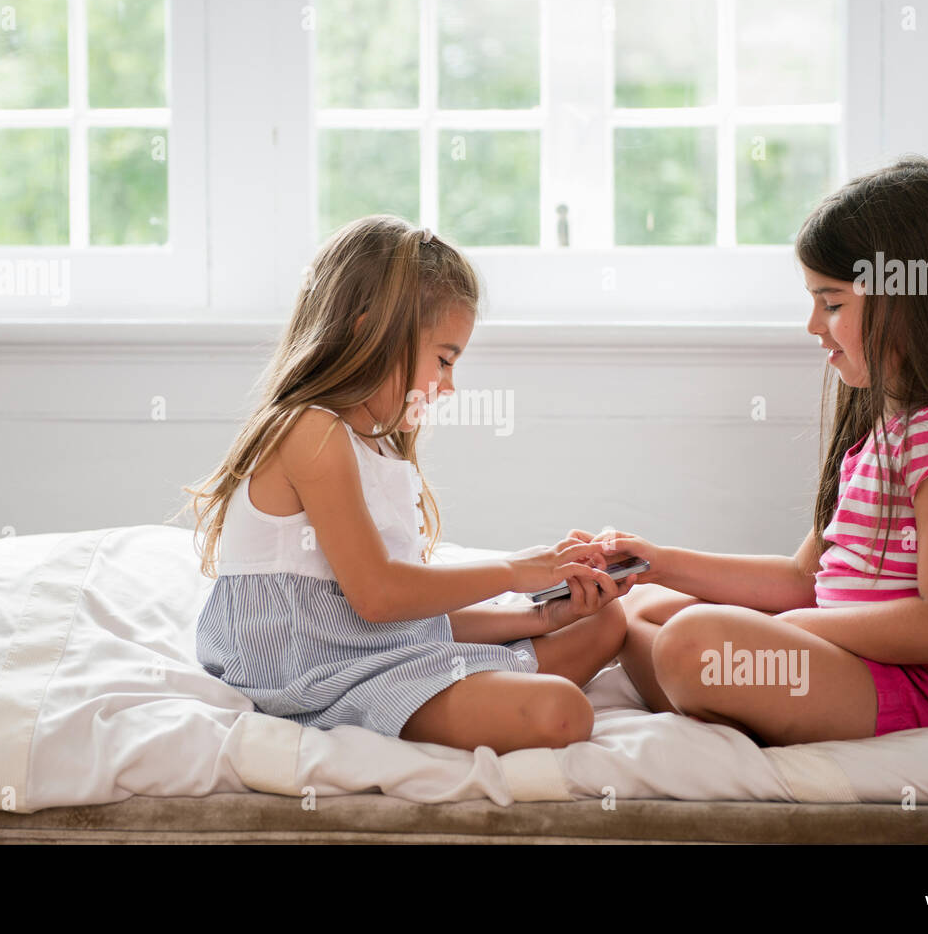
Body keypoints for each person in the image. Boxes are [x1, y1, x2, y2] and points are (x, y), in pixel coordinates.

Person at [610, 156, 928, 746]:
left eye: (830, 303)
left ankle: (731, 703)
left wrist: (802, 628)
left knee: (692, 641)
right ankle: (731, 703)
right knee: (641, 610)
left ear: (911, 303)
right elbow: (803, 577)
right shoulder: (882, 433)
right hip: (863, 665)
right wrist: (655, 561)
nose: (812, 325)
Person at [183, 215, 637, 754]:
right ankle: (481, 696)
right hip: (318, 672)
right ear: (369, 330)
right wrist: (518, 570)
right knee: (562, 713)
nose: (449, 386)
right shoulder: (310, 431)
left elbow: (406, 616)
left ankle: (502, 673)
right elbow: (379, 596)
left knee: (606, 623)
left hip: (379, 649)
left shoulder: (373, 444)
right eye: (444, 360)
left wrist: (543, 612)